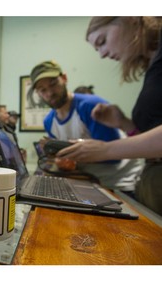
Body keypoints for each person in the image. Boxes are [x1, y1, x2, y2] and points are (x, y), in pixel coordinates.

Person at [56, 17, 162, 216]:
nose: (103, 54)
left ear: (129, 18)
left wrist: (106, 150)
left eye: (102, 41)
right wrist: (123, 122)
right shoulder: (153, 67)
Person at [29, 60, 143, 193]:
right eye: (43, 90)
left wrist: (71, 158)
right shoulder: (49, 121)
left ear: (64, 78)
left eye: (53, 84)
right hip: (90, 185)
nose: (49, 93)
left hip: (121, 185)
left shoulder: (89, 106)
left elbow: (114, 156)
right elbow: (66, 161)